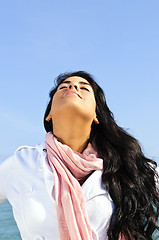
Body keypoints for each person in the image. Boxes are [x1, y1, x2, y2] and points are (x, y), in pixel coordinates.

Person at [0, 71, 159, 240]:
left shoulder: (128, 163)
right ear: (49, 114)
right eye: (63, 86)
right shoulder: (22, 163)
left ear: (96, 115)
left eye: (84, 88)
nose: (73, 86)